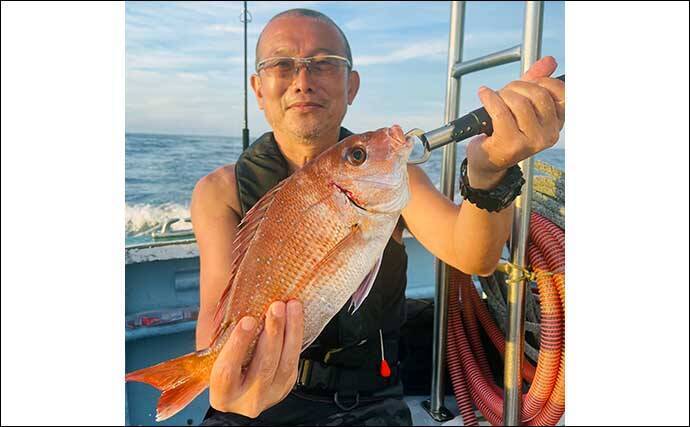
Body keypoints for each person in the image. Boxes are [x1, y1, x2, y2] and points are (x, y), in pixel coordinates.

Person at [191, 8, 564, 426]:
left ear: (351, 85)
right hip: (255, 402)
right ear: (258, 89)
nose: (302, 80)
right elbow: (214, 321)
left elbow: (473, 256)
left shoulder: (387, 175)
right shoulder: (218, 191)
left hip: (367, 400)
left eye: (324, 64)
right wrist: (228, 381)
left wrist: (490, 170)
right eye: (282, 65)